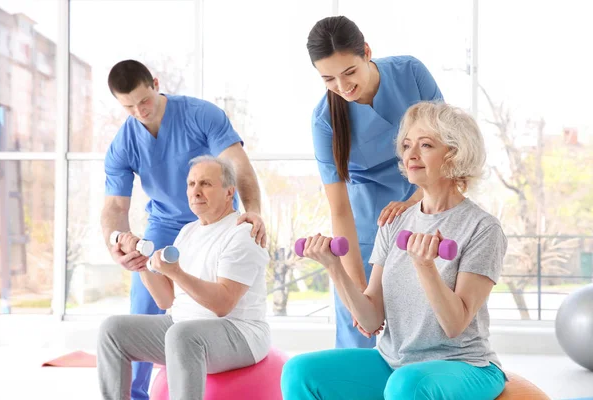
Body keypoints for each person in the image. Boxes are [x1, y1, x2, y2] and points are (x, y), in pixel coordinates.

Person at [282, 102, 508, 399]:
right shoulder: (395, 222)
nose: (410, 155)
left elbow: (455, 325)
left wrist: (425, 267)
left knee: (407, 385)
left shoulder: (482, 228)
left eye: (425, 145)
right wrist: (333, 267)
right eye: (406, 145)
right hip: (394, 362)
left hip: (464, 364)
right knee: (301, 371)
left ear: (454, 154)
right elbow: (372, 320)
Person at [100, 59, 266, 400]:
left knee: (214, 305)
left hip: (216, 217)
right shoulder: (124, 142)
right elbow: (115, 207)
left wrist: (254, 213)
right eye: (128, 107)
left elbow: (238, 168)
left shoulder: (201, 115)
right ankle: (134, 394)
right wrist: (118, 246)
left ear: (156, 84)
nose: (139, 111)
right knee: (145, 306)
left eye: (143, 100)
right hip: (165, 225)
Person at [307, 16, 444, 348]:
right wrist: (357, 291)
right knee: (360, 337)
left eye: (349, 72)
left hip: (427, 203)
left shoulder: (410, 73)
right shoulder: (324, 120)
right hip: (366, 225)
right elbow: (339, 211)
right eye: (329, 79)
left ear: (366, 52)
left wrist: (413, 202)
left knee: (427, 326)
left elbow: (446, 144)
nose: (342, 87)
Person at [98, 156, 270, 400]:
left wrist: (176, 272)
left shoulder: (243, 233)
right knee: (112, 330)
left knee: (182, 335)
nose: (195, 191)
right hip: (182, 329)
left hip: (240, 334)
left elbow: (223, 303)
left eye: (206, 184)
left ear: (229, 192)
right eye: (191, 184)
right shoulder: (188, 231)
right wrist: (142, 265)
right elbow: (166, 300)